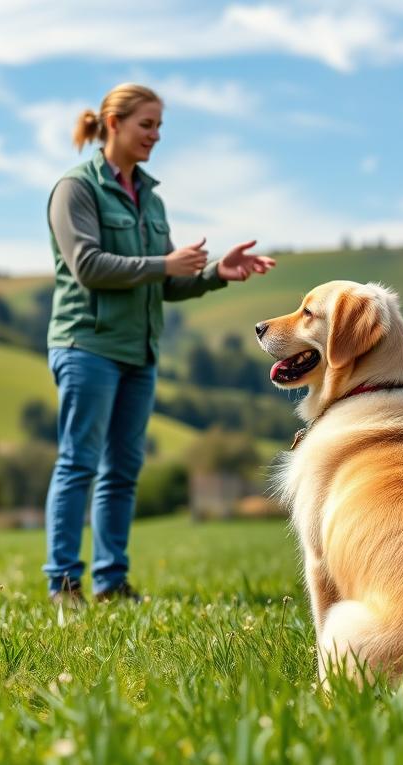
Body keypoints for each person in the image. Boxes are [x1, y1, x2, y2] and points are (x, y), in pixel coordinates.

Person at [44, 83, 275, 605]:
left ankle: (111, 583)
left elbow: (166, 284)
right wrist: (163, 264)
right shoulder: (75, 189)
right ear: (114, 123)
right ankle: (63, 583)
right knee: (78, 463)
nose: (155, 136)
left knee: (122, 471)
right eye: (146, 125)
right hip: (87, 345)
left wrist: (219, 272)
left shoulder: (152, 198)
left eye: (159, 127)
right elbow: (88, 266)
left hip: (138, 352)